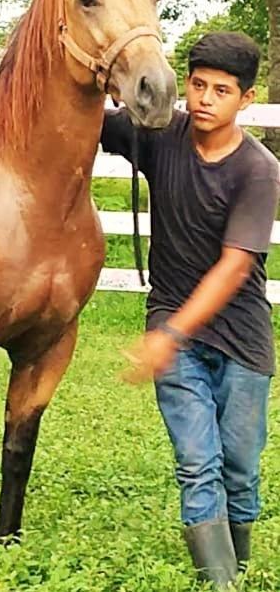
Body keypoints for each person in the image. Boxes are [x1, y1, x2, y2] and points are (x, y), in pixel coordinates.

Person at [101, 31, 279, 590]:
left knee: (240, 470)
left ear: (245, 99)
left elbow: (233, 267)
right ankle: (220, 584)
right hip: (172, 326)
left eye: (220, 91)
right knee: (198, 463)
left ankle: (239, 568)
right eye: (197, 85)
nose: (204, 99)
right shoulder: (160, 135)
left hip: (242, 342)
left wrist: (172, 333)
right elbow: (81, 115)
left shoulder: (258, 169)